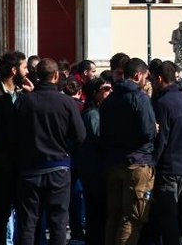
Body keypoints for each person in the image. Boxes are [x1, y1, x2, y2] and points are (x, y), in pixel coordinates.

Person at [13, 58, 86, 245]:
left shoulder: (24, 102)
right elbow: (80, 136)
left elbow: (14, 133)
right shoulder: (66, 103)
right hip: (58, 168)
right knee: (58, 223)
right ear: (56, 76)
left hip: (30, 169)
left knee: (28, 223)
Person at [101, 58, 157, 245]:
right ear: (138, 75)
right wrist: (155, 129)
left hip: (114, 162)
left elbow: (104, 132)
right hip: (137, 163)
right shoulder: (140, 98)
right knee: (132, 217)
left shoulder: (110, 99)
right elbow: (148, 131)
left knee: (114, 217)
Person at [0, 51, 29, 245]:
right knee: (1, 215)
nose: (27, 71)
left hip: (17, 165)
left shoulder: (18, 95)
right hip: (4, 166)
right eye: (24, 67)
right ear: (13, 69)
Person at [151, 61, 182, 245]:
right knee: (178, 212)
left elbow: (161, 138)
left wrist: (153, 163)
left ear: (160, 79)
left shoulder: (162, 104)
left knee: (167, 216)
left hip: (168, 167)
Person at [80, 78, 113, 245]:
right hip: (95, 170)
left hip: (96, 168)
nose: (109, 91)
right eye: (105, 89)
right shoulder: (93, 114)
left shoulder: (100, 112)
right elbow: (100, 138)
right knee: (97, 212)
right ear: (95, 93)